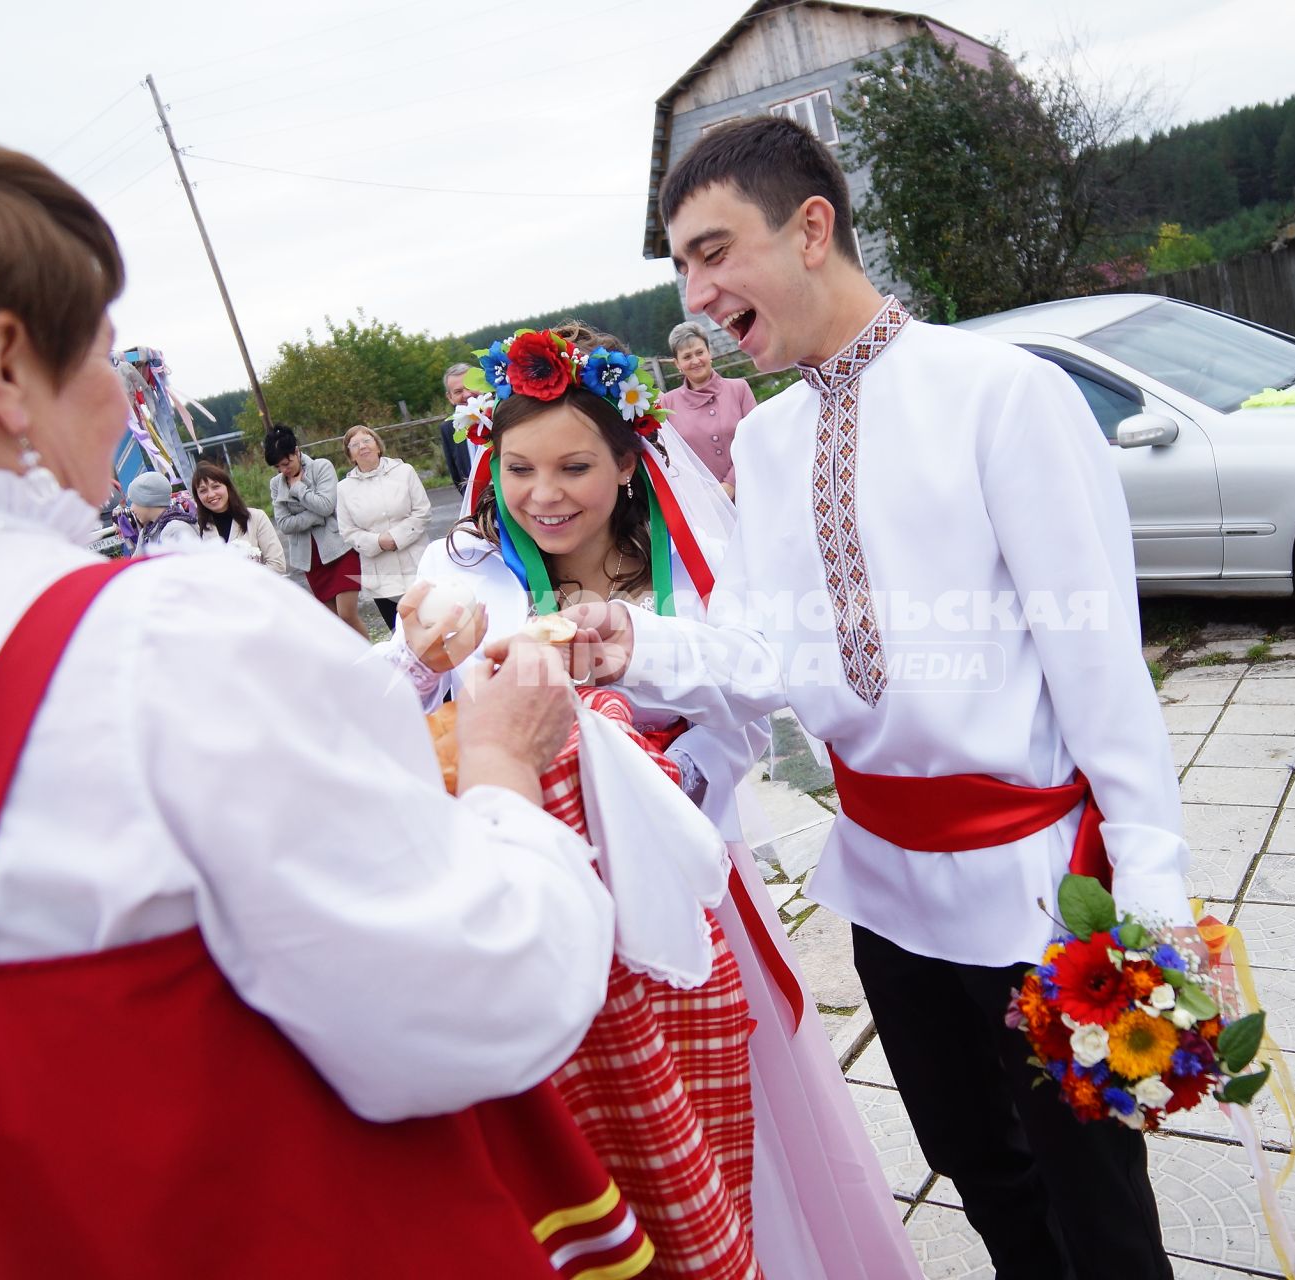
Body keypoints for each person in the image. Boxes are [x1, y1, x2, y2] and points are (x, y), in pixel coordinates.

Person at [0, 113, 650, 1280]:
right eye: (106, 355)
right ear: (3, 369)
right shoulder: (165, 640)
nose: (125, 406)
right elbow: (479, 1000)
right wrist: (496, 766)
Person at [566, 117, 1195, 1280]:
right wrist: (629, 643)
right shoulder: (762, 440)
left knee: (1094, 1204)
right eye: (679, 268)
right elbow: (760, 649)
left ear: (811, 228)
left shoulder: (999, 394)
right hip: (886, 888)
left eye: (713, 252)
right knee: (978, 1167)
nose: (697, 295)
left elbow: (1098, 661)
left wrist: (1149, 891)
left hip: (1037, 891)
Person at [403, 322, 921, 1279]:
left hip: (689, 901)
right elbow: (415, 721)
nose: (543, 495)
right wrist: (415, 657)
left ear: (631, 467)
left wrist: (661, 767)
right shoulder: (464, 577)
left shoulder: (677, 575)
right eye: (518, 469)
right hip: (537, 907)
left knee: (728, 1136)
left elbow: (755, 703)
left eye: (573, 467)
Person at [264, 424, 362, 633]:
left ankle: (375, 662)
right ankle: (352, 664)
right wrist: (317, 516)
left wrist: (299, 489)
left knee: (347, 615)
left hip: (340, 550)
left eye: (287, 463)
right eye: (278, 467)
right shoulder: (277, 484)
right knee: (335, 626)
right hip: (311, 560)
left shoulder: (322, 467)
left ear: (297, 451)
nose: (284, 470)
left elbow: (327, 505)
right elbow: (284, 524)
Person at [334, 423, 431, 634]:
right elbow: (348, 531)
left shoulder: (404, 471)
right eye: (354, 444)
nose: (362, 446)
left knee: (432, 626)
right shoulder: (343, 489)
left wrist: (396, 537)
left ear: (378, 446)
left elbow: (422, 511)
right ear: (350, 455)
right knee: (401, 636)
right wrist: (378, 542)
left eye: (367, 440)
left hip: (417, 564)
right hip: (381, 576)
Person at [659, 321, 756, 500]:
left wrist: (731, 483)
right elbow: (673, 458)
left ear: (709, 353)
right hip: (704, 502)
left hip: (750, 489)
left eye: (699, 352)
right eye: (687, 356)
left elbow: (755, 440)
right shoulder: (667, 403)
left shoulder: (739, 389)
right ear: (677, 363)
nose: (695, 361)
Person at [190, 459, 286, 572]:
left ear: (228, 487)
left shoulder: (256, 518)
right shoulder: (197, 529)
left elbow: (277, 565)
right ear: (197, 497)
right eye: (203, 491)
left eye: (215, 486)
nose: (211, 494)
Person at [122, 470, 199, 557]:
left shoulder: (175, 530)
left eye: (134, 502)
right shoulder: (147, 532)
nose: (131, 508)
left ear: (147, 500)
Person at [439, 362, 475, 488]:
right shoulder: (448, 428)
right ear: (450, 397)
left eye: (470, 386)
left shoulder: (500, 415)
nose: (467, 394)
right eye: (458, 391)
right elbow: (457, 476)